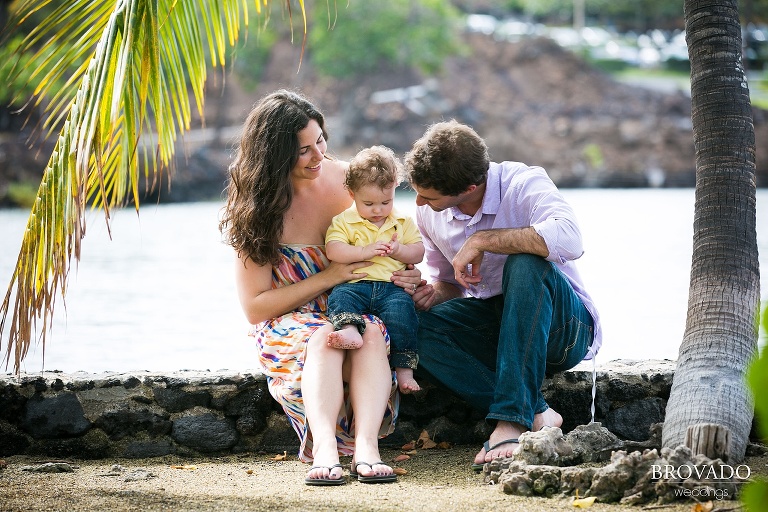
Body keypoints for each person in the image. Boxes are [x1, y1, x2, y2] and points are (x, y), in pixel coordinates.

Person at [219, 90, 421, 485]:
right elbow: (256, 308)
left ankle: (367, 447)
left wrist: (407, 274)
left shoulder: (353, 182)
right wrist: (327, 277)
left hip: (357, 306)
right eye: (303, 151)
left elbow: (396, 241)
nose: (318, 157)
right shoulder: (257, 209)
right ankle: (324, 448)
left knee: (373, 335)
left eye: (321, 142)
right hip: (288, 320)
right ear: (274, 156)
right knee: (326, 337)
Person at [403, 120, 602, 471]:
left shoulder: (522, 183)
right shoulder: (427, 212)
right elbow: (449, 283)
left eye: (429, 196)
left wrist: (483, 240)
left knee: (524, 263)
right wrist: (427, 294)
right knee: (406, 323)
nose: (418, 202)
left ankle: (511, 419)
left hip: (562, 329)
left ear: (469, 186)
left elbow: (571, 240)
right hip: (496, 322)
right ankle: (537, 410)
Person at [325, 145, 425, 394]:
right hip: (355, 284)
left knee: (404, 316)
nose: (378, 210)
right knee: (339, 298)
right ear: (352, 194)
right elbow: (333, 250)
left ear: (394, 189)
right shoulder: (344, 221)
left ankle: (405, 371)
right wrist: (363, 251)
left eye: (386, 202)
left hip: (392, 288)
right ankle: (349, 330)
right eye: (368, 203)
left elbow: (419, 252)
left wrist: (399, 250)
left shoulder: (402, 222)